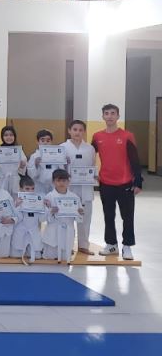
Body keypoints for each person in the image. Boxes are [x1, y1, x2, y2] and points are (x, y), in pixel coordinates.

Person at [92, 104, 142, 260]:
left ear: (118, 116)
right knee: (108, 216)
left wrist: (138, 181)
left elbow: (135, 159)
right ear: (103, 116)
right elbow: (88, 154)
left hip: (125, 183)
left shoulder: (127, 136)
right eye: (106, 113)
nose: (109, 116)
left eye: (113, 113)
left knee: (127, 217)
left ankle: (127, 246)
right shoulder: (97, 136)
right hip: (106, 183)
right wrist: (91, 174)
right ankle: (111, 244)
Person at [62, 120, 97, 255]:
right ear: (69, 131)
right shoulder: (63, 147)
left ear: (84, 132)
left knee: (85, 217)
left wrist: (94, 176)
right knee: (68, 217)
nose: (77, 132)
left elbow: (92, 166)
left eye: (80, 130)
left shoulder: (90, 148)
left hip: (86, 187)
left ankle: (83, 245)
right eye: (75, 129)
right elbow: (59, 169)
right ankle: (67, 245)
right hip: (69, 187)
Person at [42, 169, 85, 262]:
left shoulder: (74, 197)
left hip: (68, 231)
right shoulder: (49, 196)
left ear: (68, 182)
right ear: (53, 182)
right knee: (50, 259)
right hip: (53, 231)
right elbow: (43, 217)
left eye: (64, 180)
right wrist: (51, 211)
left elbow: (79, 218)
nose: (61, 183)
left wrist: (80, 212)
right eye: (58, 180)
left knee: (65, 259)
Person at [11, 176, 43, 262]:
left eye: (32, 189)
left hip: (33, 232)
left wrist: (45, 206)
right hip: (20, 232)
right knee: (16, 256)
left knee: (37, 256)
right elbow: (13, 219)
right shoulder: (15, 202)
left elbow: (42, 219)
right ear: (21, 189)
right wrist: (16, 206)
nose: (30, 191)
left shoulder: (38, 201)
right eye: (27, 189)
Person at [0, 126, 27, 199]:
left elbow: (23, 167)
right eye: (6, 135)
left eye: (11, 135)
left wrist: (22, 166)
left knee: (15, 200)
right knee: (2, 199)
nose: (9, 137)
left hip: (15, 180)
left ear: (14, 136)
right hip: (2, 180)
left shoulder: (18, 150)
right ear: (2, 137)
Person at [27, 129, 65, 196]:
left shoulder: (56, 155)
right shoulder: (34, 156)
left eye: (48, 141)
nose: (45, 143)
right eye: (42, 140)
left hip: (54, 186)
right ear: (38, 142)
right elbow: (31, 174)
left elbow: (61, 170)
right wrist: (36, 165)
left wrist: (65, 162)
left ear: (51, 142)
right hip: (39, 186)